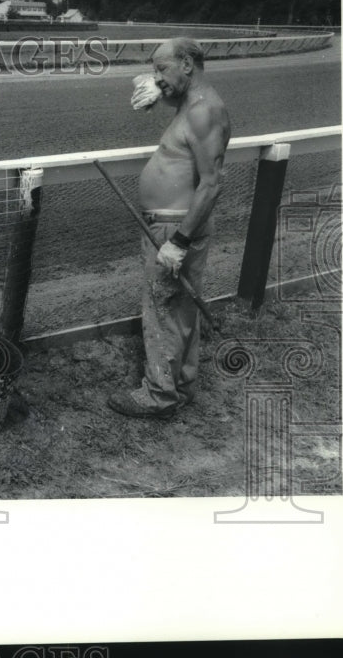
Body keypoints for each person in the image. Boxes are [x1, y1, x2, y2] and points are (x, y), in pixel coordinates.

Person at [108, 38, 231, 418]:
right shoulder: (192, 106)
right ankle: (182, 384)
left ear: (188, 64)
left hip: (174, 230)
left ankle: (159, 395)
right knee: (180, 310)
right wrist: (151, 86)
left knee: (162, 311)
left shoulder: (203, 112)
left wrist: (178, 241)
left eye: (162, 69)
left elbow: (211, 183)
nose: (158, 77)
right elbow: (173, 97)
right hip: (171, 226)